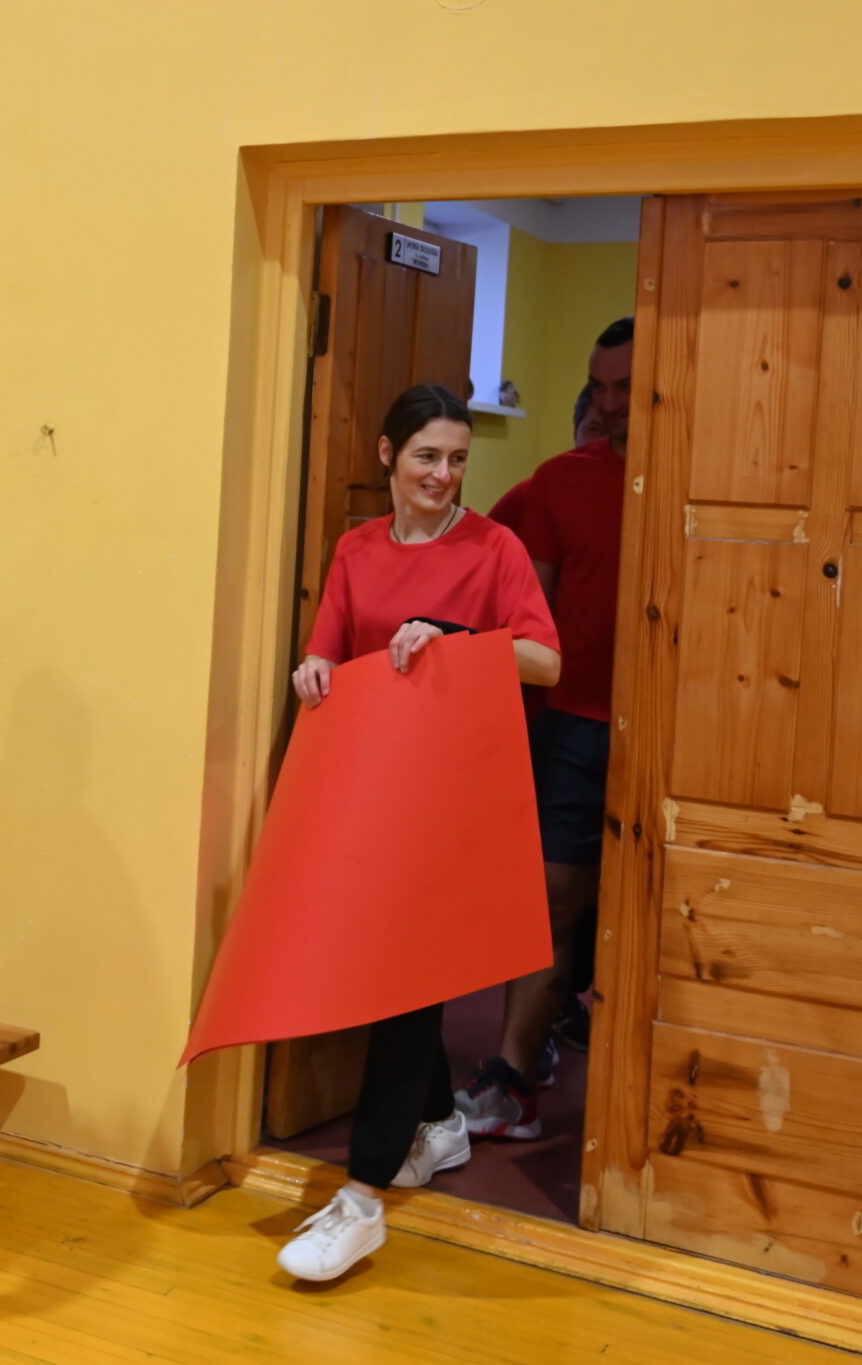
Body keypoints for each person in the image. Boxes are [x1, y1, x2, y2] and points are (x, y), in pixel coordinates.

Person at [277, 383, 560, 1284]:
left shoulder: (494, 548)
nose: (443, 474)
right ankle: (437, 1123)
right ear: (388, 456)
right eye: (427, 456)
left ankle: (361, 1198)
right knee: (393, 975)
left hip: (454, 799)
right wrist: (312, 669)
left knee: (404, 984)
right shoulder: (356, 550)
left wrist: (454, 636)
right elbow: (326, 650)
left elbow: (545, 659)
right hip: (370, 794)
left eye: (458, 459)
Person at [461, 319, 633, 1139]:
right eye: (599, 387)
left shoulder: (714, 483)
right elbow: (527, 626)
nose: (610, 403)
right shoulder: (560, 481)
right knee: (549, 907)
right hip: (572, 732)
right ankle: (513, 1078)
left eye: (625, 387)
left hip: (678, 742)